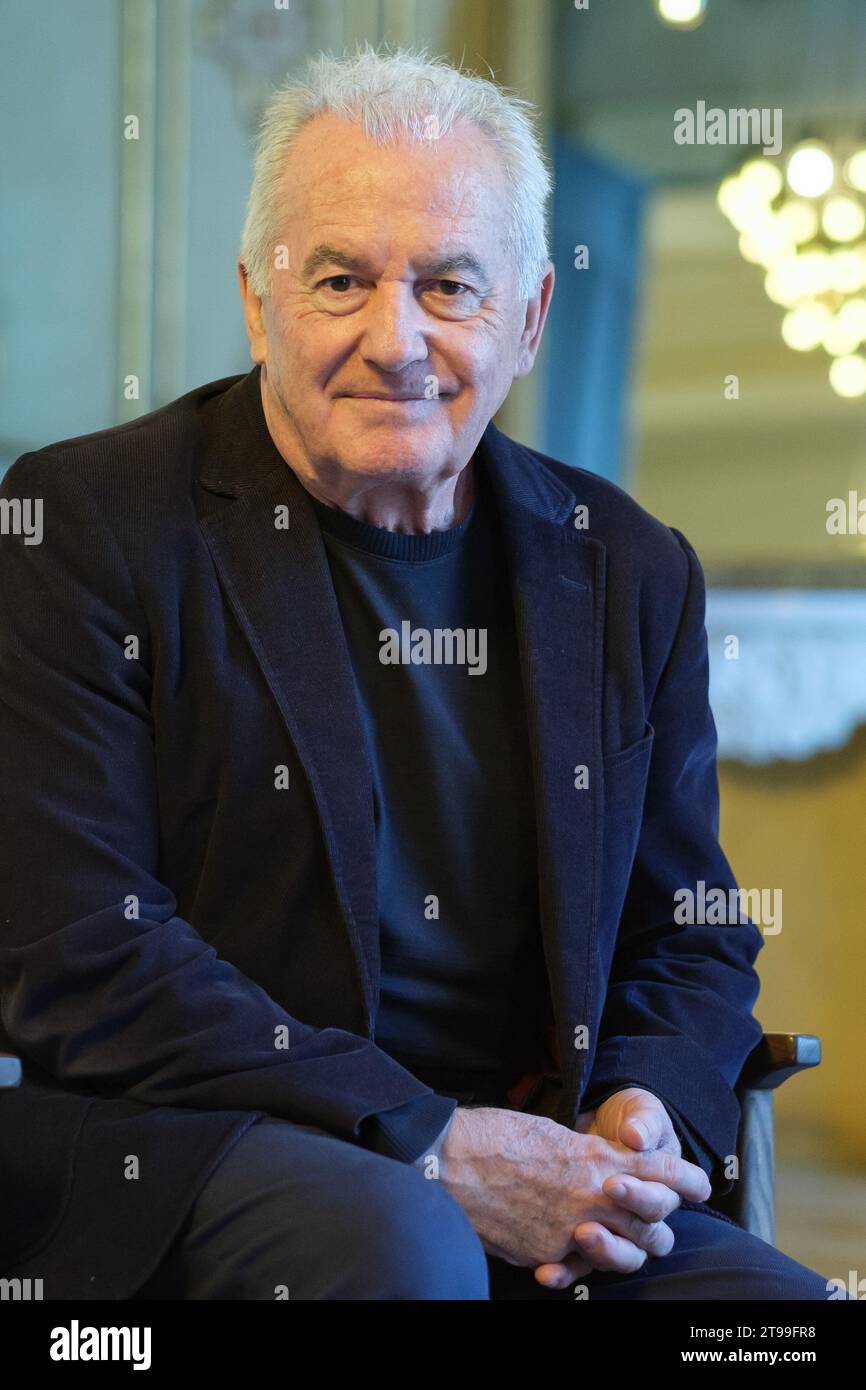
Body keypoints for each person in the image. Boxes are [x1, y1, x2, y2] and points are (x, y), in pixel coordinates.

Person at [0, 44, 832, 1300]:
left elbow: (689, 930)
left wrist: (643, 1113)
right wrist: (433, 1145)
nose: (396, 340)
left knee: (769, 1315)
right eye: (339, 279)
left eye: (450, 286)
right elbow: (79, 951)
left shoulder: (625, 568)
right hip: (192, 1150)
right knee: (407, 1245)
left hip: (540, 1160)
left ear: (533, 317)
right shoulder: (85, 523)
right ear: (256, 297)